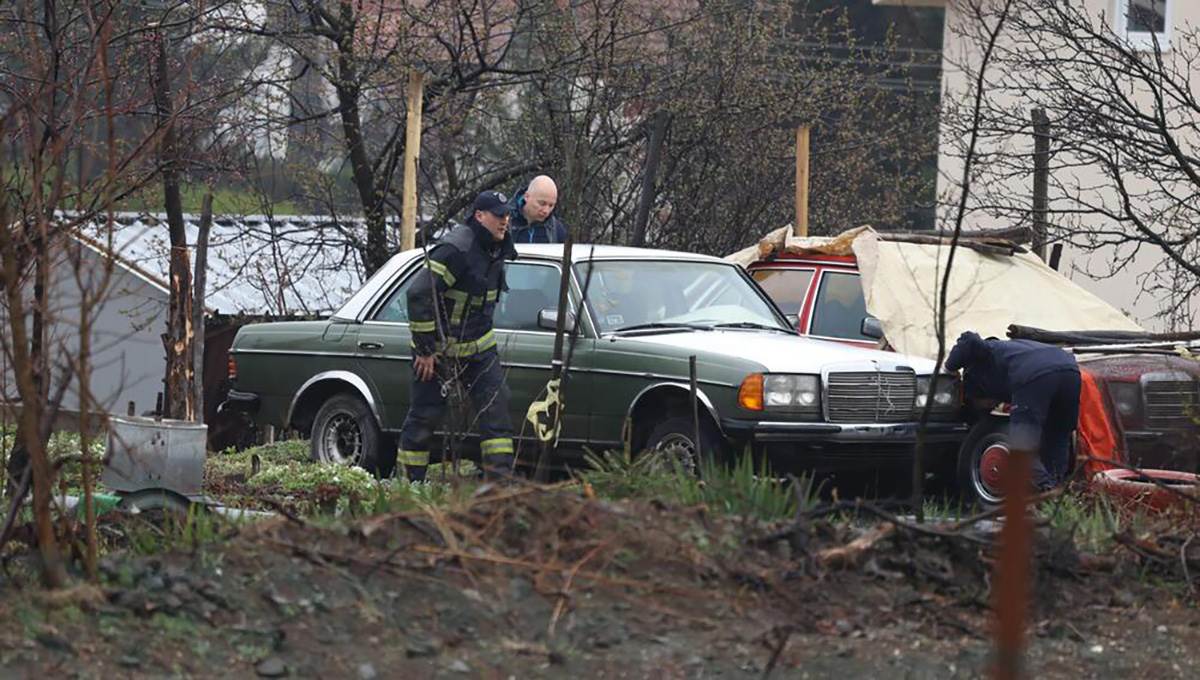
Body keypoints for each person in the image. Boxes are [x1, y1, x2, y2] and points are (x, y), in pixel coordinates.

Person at [399, 190, 519, 481]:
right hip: (439, 352)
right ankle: (407, 486)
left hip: (480, 350)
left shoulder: (499, 247)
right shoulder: (456, 250)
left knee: (497, 415)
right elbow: (419, 294)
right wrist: (425, 350)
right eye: (498, 215)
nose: (504, 220)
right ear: (480, 216)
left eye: (507, 215)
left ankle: (498, 489)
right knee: (424, 418)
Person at [945, 331, 1081, 491]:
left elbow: (969, 339)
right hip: (1070, 369)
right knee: (1058, 435)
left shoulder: (986, 354)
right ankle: (1056, 487)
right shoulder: (1011, 351)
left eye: (984, 405)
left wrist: (949, 368)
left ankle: (1044, 489)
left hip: (1034, 372)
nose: (991, 407)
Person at [508, 175, 568, 243]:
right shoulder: (504, 222)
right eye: (542, 203)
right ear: (526, 197)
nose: (546, 211)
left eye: (551, 205)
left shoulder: (556, 231)